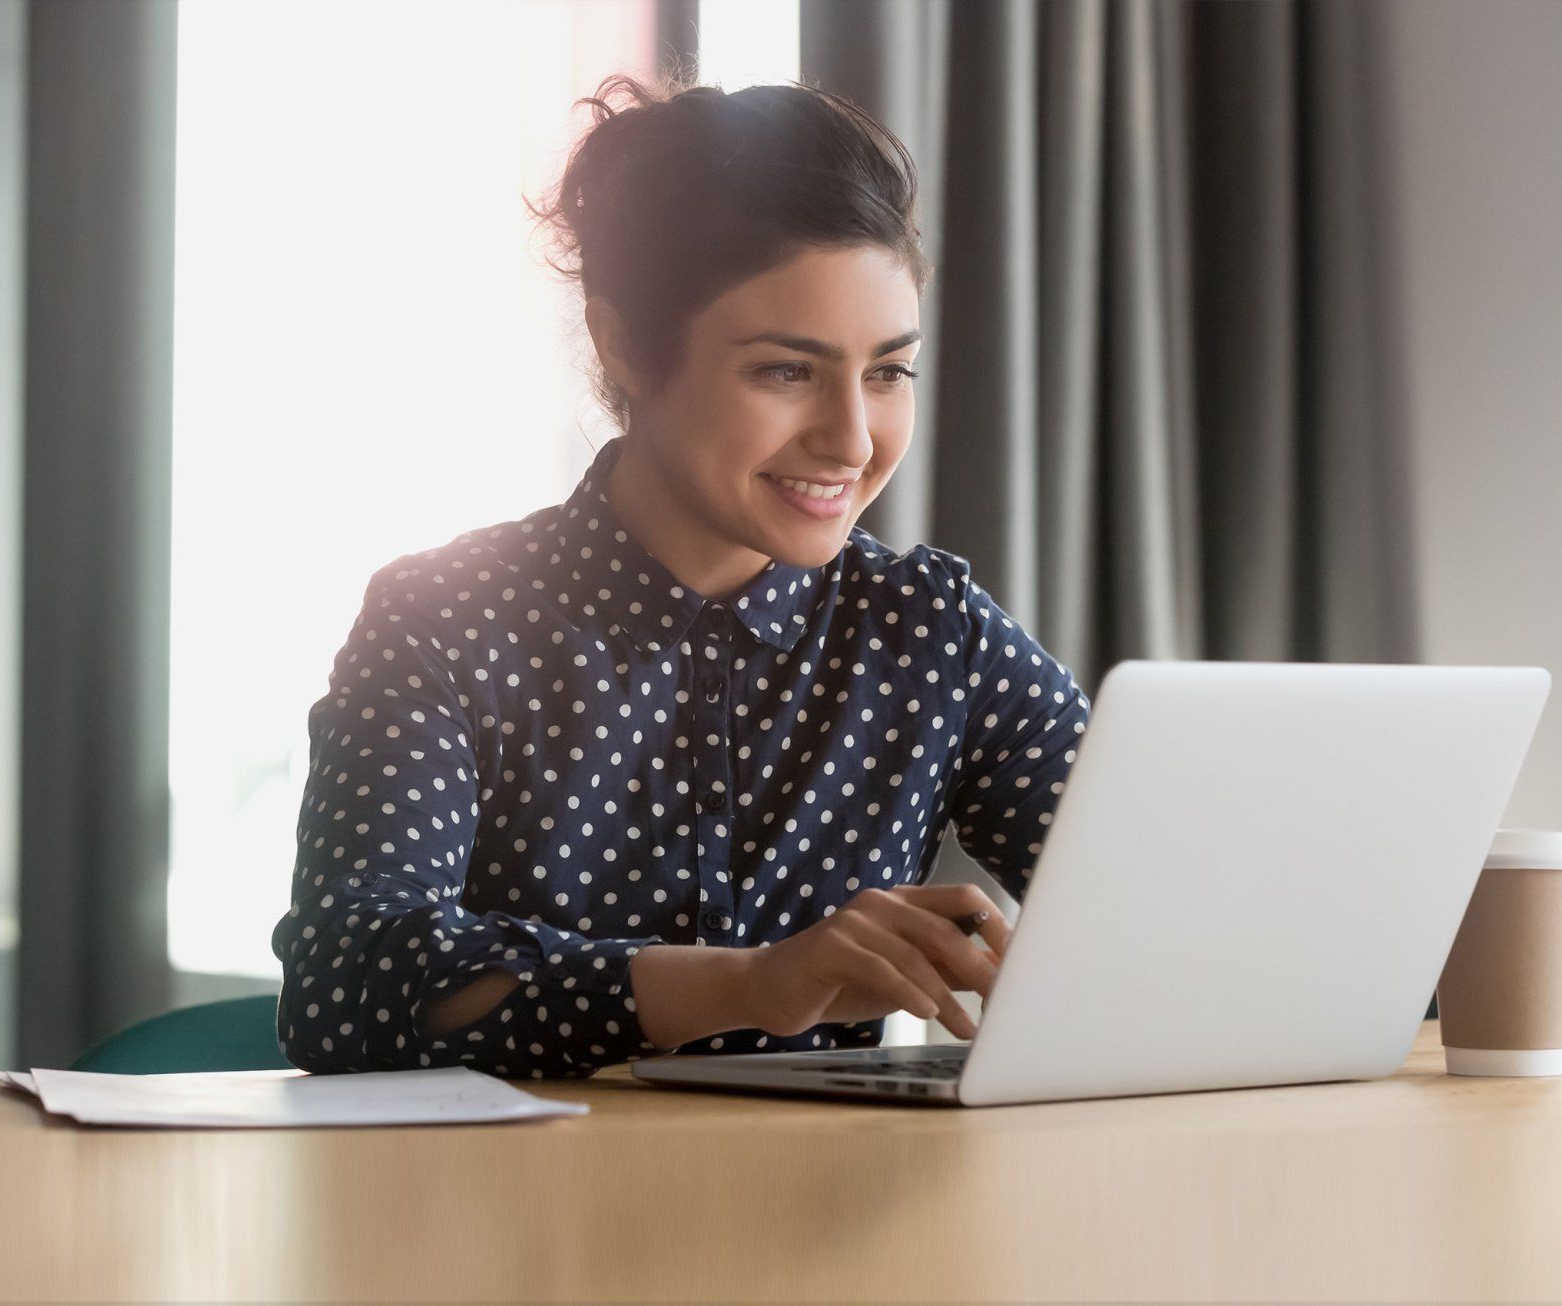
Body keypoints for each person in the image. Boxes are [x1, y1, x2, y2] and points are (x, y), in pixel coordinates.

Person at [269, 72, 1090, 1078]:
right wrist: (753, 983)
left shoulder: (930, 631)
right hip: (511, 1219)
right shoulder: (446, 618)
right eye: (785, 370)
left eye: (888, 371)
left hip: (839, 1221)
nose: (851, 438)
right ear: (626, 346)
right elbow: (349, 986)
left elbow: (1169, 907)